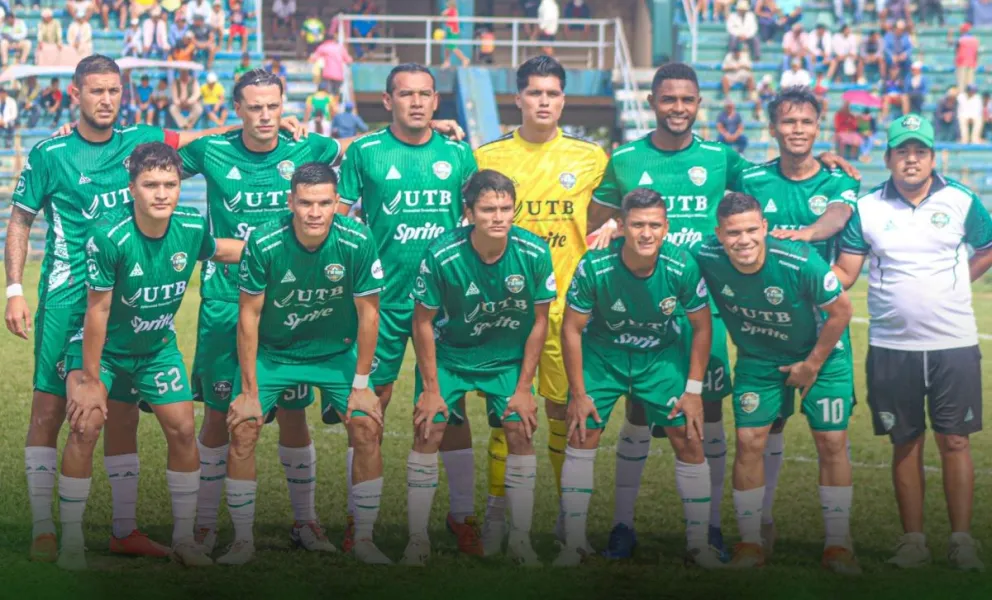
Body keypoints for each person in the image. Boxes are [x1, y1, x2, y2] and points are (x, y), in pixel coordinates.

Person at [178, 68, 465, 558]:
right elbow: (150, 165)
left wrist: (426, 127)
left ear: (284, 104)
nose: (265, 116)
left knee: (293, 413)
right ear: (237, 108)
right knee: (221, 416)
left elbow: (360, 147)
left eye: (273, 105)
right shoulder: (212, 150)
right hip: (231, 301)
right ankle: (206, 525)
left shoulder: (309, 149)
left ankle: (305, 522)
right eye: (253, 106)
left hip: (300, 305)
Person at [587, 62, 857, 560]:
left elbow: (772, 177)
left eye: (687, 100)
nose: (678, 108)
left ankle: (711, 527)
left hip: (700, 313)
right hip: (641, 309)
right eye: (668, 99)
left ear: (698, 104)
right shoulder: (623, 157)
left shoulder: (722, 158)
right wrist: (604, 232)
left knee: (707, 417)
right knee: (638, 413)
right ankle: (622, 525)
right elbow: (599, 217)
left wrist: (820, 157)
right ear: (652, 102)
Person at [4, 54, 232, 565]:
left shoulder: (141, 141)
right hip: (69, 300)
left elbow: (201, 141)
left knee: (122, 413)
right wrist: (15, 288)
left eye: (114, 91)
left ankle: (124, 529)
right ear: (76, 95)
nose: (106, 100)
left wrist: (259, 124)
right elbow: (20, 221)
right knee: (53, 410)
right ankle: (47, 529)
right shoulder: (51, 152)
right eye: (96, 91)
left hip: (129, 302)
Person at [56, 142, 244, 570]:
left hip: (157, 349)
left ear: (180, 187)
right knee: (87, 426)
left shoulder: (191, 226)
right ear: (132, 188)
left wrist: (282, 246)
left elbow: (224, 249)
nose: (162, 193)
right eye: (151, 184)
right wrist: (88, 380)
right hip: (102, 351)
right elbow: (97, 310)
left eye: (171, 184)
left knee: (181, 429)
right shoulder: (110, 235)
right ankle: (71, 543)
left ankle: (184, 540)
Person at [834, 114, 992, 571]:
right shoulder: (867, 208)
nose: (911, 159)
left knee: (956, 441)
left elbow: (986, 246)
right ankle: (914, 541)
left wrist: (958, 281)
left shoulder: (961, 200)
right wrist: (810, 281)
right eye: (902, 151)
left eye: (920, 151)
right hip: (891, 345)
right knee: (905, 442)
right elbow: (847, 270)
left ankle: (962, 541)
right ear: (888, 158)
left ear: (932, 157)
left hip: (954, 343)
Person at [337, 63, 479, 558]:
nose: (416, 103)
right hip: (382, 302)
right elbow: (339, 215)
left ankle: (461, 517)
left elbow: (475, 220)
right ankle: (362, 524)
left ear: (436, 102)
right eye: (406, 94)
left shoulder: (459, 154)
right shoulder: (365, 152)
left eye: (424, 95)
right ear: (387, 100)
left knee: (450, 411)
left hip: (443, 307)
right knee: (369, 410)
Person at [473, 55, 608, 556]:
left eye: (552, 93)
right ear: (518, 98)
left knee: (563, 413)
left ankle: (566, 524)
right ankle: (495, 513)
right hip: (506, 309)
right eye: (534, 92)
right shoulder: (488, 156)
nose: (543, 101)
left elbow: (608, 211)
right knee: (509, 414)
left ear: (564, 99)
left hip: (567, 310)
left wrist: (610, 227)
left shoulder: (591, 157)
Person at [228, 162, 389, 566]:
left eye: (323, 203)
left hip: (334, 352)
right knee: (243, 429)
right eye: (305, 203)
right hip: (274, 353)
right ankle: (242, 542)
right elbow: (248, 315)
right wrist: (249, 392)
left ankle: (364, 539)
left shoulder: (356, 240)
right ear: (290, 202)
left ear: (337, 202)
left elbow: (369, 314)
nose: (314, 212)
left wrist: (362, 383)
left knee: (367, 425)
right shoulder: (264, 242)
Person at [555, 188, 721, 569]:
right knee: (583, 430)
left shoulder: (681, 265)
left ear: (666, 228)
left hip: (658, 357)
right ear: (622, 227)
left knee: (689, 436)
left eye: (655, 225)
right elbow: (571, 329)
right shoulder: (595, 265)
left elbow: (701, 326)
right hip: (604, 355)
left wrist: (694, 391)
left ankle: (699, 546)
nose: (646, 233)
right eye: (638, 225)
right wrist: (578, 393)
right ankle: (574, 544)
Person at [696, 192, 857, 573]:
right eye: (734, 233)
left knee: (831, 441)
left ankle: (838, 545)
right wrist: (613, 227)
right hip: (760, 360)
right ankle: (751, 542)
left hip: (823, 356)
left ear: (765, 228)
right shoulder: (706, 255)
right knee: (750, 441)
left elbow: (842, 311)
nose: (744, 240)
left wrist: (811, 365)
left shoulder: (800, 261)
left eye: (752, 230)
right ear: (719, 234)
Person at [406, 169, 556, 566]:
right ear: (468, 212)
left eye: (506, 208)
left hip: (504, 358)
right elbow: (421, 321)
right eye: (488, 209)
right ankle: (417, 541)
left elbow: (540, 322)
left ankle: (520, 540)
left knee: (519, 427)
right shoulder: (441, 254)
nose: (499, 217)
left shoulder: (535, 252)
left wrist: (524, 388)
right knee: (429, 425)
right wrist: (431, 389)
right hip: (451, 354)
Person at [310, 31, 353, 96]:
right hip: (339, 75)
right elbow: (349, 60)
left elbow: (313, 59)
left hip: (327, 75)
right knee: (336, 94)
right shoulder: (340, 48)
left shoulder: (323, 47)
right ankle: (335, 105)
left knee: (327, 94)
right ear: (333, 39)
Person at [440, 0, 470, 67]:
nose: (446, 4)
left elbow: (443, 13)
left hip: (453, 31)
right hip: (450, 31)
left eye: (447, 2)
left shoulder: (452, 10)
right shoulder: (452, 11)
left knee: (453, 47)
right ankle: (447, 62)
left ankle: (464, 59)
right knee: (447, 48)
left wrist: (445, 14)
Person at [955, 23, 979, 93]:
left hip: (961, 63)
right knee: (970, 83)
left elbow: (956, 49)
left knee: (961, 84)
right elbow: (976, 53)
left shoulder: (960, 39)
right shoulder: (975, 40)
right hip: (971, 63)